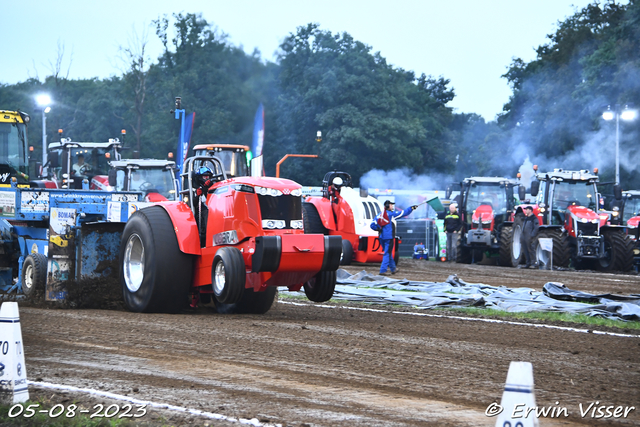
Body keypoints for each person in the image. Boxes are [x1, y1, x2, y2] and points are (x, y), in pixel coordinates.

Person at [370, 200, 417, 275]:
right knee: (387, 253)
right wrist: (411, 208)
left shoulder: (379, 214)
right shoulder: (391, 214)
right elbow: (403, 213)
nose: (392, 206)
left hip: (381, 237)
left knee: (388, 252)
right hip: (389, 237)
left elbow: (372, 225)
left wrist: (379, 229)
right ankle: (383, 270)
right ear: (388, 206)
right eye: (391, 205)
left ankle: (393, 268)